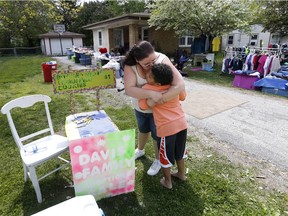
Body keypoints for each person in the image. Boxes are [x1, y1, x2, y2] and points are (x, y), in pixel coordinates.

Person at [123, 40, 185, 176]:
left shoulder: (162, 59)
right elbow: (129, 89)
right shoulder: (130, 65)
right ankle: (140, 150)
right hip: (139, 107)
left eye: (153, 61)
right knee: (143, 129)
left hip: (160, 112)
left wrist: (159, 99)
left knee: (157, 136)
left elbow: (179, 85)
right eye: (146, 64)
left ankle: (158, 160)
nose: (151, 65)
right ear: (137, 61)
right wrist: (152, 94)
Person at [138, 63, 187, 189]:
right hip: (181, 123)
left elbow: (143, 106)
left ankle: (168, 182)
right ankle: (181, 174)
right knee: (179, 152)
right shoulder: (174, 86)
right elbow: (183, 97)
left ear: (157, 83)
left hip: (166, 128)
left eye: (149, 76)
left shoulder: (148, 88)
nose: (146, 76)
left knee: (165, 156)